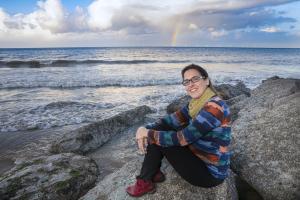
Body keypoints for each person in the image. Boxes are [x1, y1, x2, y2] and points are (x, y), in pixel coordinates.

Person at [126, 64, 231, 197]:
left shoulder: (215, 107)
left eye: (195, 79)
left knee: (163, 137)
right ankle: (152, 171)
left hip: (209, 173)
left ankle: (145, 181)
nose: (191, 84)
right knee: (160, 129)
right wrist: (144, 128)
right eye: (186, 81)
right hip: (198, 155)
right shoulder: (195, 103)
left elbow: (182, 138)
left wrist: (148, 134)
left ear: (207, 80)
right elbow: (170, 120)